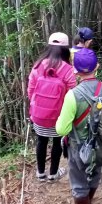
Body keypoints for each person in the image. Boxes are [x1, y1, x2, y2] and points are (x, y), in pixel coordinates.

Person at [56, 48, 102, 204]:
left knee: (78, 182)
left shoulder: (73, 96)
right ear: (97, 67)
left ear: (75, 71)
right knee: (95, 174)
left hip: (79, 147)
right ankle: (88, 203)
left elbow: (62, 129)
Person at [28, 32, 76, 182]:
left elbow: (30, 90)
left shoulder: (38, 66)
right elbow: (72, 94)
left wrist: (37, 107)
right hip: (58, 116)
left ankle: (40, 173)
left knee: (41, 141)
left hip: (39, 115)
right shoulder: (68, 69)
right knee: (57, 142)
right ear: (66, 49)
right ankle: (53, 174)